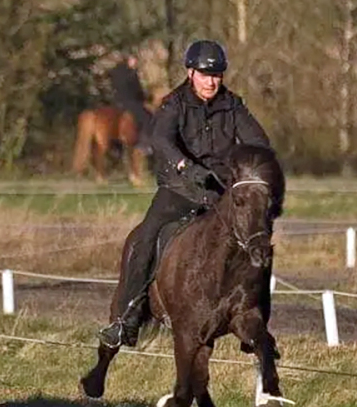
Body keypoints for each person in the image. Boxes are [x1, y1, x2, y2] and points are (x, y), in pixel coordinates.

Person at [97, 39, 271, 348]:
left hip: (219, 193)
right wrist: (185, 166)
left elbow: (258, 140)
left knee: (257, 235)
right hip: (179, 190)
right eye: (205, 74)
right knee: (144, 238)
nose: (212, 81)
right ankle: (126, 318)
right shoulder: (173, 103)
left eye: (217, 74)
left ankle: (256, 319)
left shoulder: (233, 105)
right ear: (190, 73)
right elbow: (161, 139)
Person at [108, 53, 154, 155]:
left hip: (116, 102)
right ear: (129, 60)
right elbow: (137, 90)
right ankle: (145, 144)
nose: (135, 63)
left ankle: (115, 145)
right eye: (134, 61)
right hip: (130, 102)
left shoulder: (115, 71)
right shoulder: (131, 73)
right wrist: (145, 97)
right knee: (147, 117)